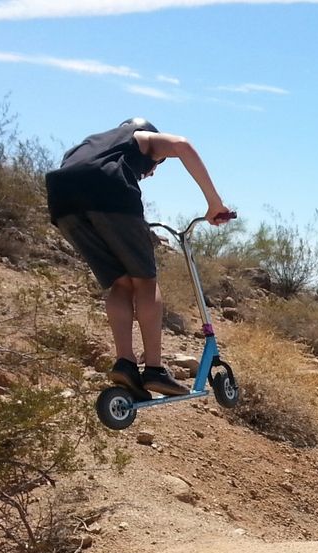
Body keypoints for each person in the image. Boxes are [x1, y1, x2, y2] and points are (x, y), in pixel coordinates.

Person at [46, 118, 231, 398]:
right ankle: (154, 369)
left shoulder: (90, 144)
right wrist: (214, 203)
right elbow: (182, 145)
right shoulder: (141, 137)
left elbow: (75, 171)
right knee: (145, 282)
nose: (153, 171)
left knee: (121, 283)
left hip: (62, 200)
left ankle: (125, 364)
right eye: (157, 164)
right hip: (108, 191)